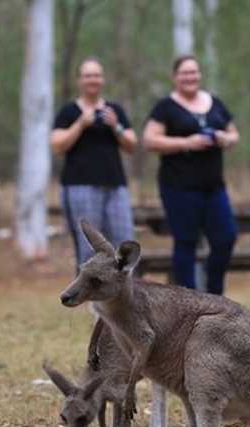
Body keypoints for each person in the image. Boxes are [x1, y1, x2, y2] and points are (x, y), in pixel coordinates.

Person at [143, 54, 240, 295]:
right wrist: (187, 142)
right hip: (179, 187)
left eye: (194, 72)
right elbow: (150, 140)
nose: (190, 77)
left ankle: (214, 294)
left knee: (226, 237)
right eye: (185, 73)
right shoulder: (165, 107)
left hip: (214, 187)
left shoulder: (214, 102)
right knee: (185, 242)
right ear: (175, 77)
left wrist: (223, 138)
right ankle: (187, 299)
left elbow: (234, 135)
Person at [51, 57, 138, 269]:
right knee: (89, 246)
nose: (93, 80)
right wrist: (81, 124)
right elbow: (57, 145)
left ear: (103, 79)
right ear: (79, 80)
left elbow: (132, 145)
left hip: (115, 185)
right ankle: (88, 298)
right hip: (80, 186)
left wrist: (115, 126)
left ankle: (122, 299)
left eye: (97, 75)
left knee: (123, 243)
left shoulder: (113, 110)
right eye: (88, 75)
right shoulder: (69, 111)